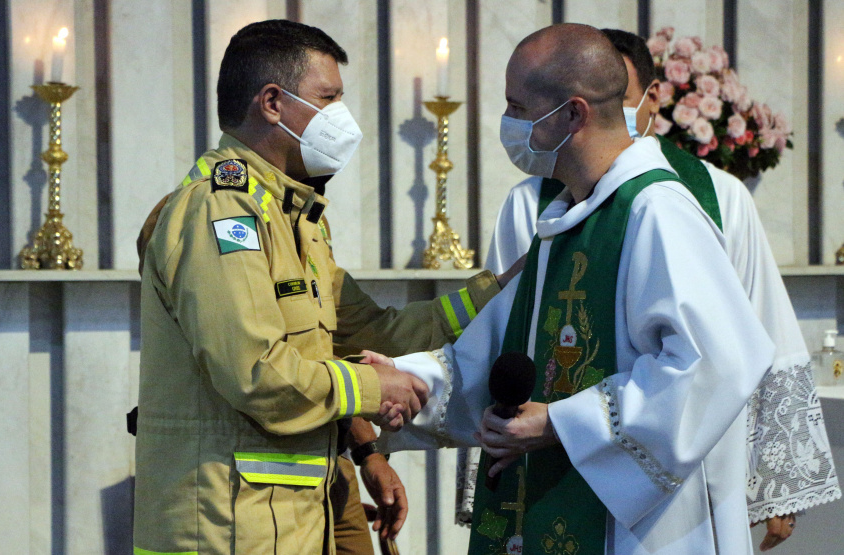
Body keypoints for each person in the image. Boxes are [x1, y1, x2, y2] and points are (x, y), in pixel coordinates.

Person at [376, 23, 780, 554]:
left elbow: (719, 361)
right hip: (554, 494)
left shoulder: (656, 210)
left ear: (573, 114)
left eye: (517, 108)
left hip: (633, 528)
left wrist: (564, 423)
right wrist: (404, 380)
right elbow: (495, 349)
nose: (508, 125)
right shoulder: (567, 214)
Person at [133, 20, 512, 555]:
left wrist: (493, 296)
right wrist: (375, 388)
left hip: (286, 521)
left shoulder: (295, 217)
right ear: (272, 102)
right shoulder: (220, 210)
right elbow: (254, 372)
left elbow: (373, 331)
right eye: (328, 98)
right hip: (224, 529)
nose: (342, 118)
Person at [467, 27, 841, 552]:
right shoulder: (538, 205)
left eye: (619, 99)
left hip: (674, 478)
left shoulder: (700, 197)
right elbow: (505, 335)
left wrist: (775, 483)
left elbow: (744, 341)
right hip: (547, 462)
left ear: (649, 99)